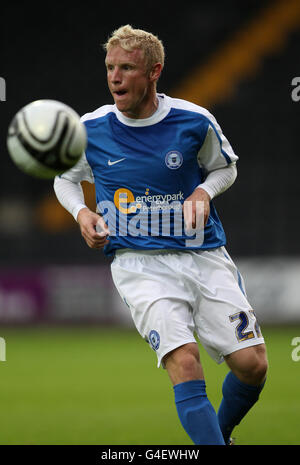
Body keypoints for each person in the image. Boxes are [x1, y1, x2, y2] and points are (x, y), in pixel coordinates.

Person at [54, 24, 268, 445]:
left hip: (202, 253)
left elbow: (226, 166)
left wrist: (205, 191)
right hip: (139, 263)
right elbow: (65, 178)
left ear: (154, 72)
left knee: (253, 365)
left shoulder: (193, 120)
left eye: (127, 68)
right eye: (110, 67)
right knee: (185, 362)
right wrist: (81, 212)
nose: (115, 77)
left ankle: (220, 436)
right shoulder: (90, 128)